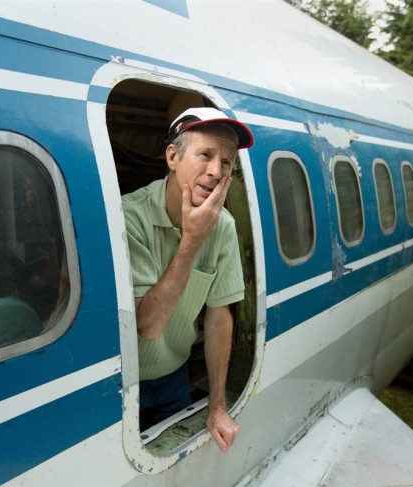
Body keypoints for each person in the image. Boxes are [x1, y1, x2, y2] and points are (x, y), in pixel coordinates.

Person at [122, 107, 254, 454]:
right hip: (119, 388)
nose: (215, 171)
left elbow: (219, 317)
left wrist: (217, 405)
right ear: (173, 157)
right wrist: (192, 240)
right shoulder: (128, 217)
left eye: (226, 162)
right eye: (206, 155)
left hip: (173, 380)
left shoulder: (222, 226)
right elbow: (147, 325)